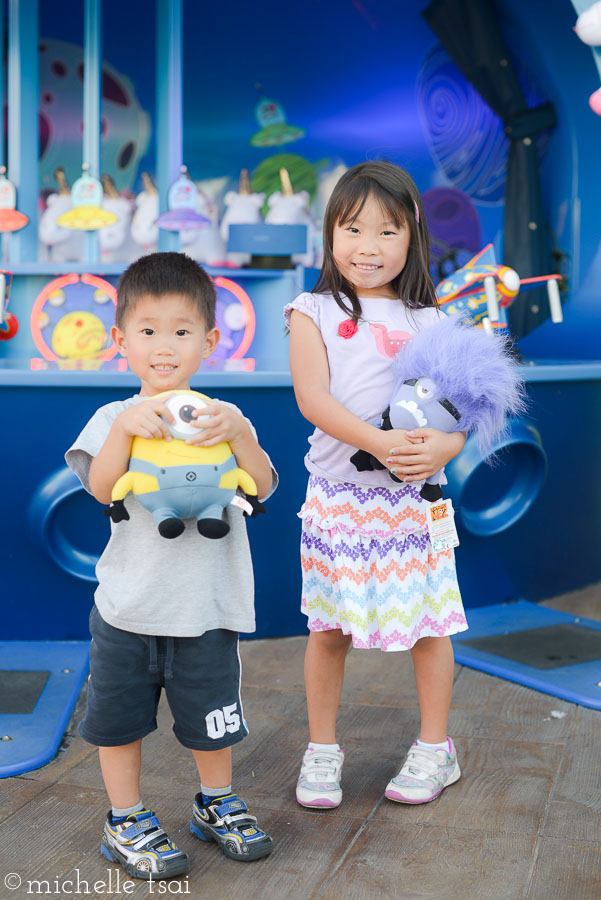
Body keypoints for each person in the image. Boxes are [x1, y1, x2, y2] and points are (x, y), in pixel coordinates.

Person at [66, 252, 276, 879]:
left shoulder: (223, 419)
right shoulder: (112, 419)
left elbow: (261, 487)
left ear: (210, 341)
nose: (165, 346)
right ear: (120, 340)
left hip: (207, 607)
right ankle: (125, 816)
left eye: (182, 331)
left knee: (214, 721)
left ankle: (215, 802)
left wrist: (240, 431)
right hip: (130, 608)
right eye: (148, 330)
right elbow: (103, 490)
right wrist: (126, 431)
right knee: (117, 720)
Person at [285, 161, 468, 811]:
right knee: (328, 628)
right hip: (340, 498)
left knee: (428, 626)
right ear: (329, 233)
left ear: (411, 234)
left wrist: (443, 447)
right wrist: (380, 443)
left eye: (386, 231)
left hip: (414, 505)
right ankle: (322, 749)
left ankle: (434, 747)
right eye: (352, 228)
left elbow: (463, 413)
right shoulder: (311, 309)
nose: (368, 246)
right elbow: (312, 398)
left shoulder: (433, 320)